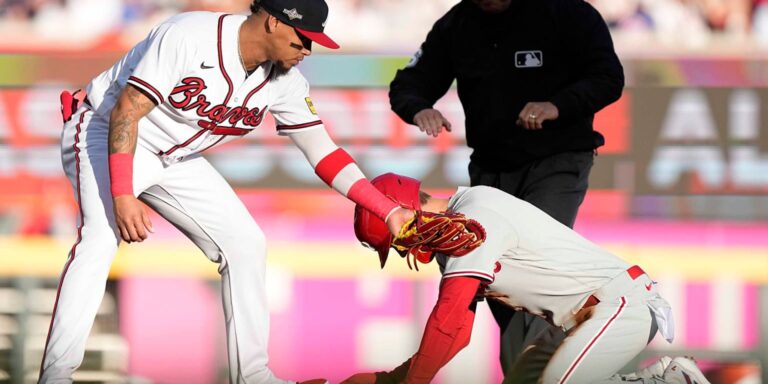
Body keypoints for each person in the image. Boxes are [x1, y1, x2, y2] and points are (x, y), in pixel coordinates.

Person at [41, 1, 414, 383]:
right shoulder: (189, 36)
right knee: (100, 239)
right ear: (273, 21)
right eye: (303, 39)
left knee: (246, 243)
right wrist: (122, 193)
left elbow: (324, 153)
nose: (308, 50)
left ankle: (252, 376)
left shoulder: (285, 81)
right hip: (103, 130)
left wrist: (387, 211)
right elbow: (127, 110)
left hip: (175, 156)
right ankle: (56, 375)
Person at [388, 0, 626, 375]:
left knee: (532, 265)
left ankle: (526, 373)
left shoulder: (568, 14)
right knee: (499, 284)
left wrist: (558, 106)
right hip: (491, 170)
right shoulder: (457, 24)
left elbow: (608, 77)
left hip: (557, 161)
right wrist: (418, 107)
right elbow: (409, 82)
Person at [345, 173, 712, 384]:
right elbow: (456, 336)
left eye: (398, 238)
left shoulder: (472, 218)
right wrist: (395, 379)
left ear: (409, 210)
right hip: (581, 319)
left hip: (619, 305)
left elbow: (448, 317)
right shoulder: (453, 235)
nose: (404, 250)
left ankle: (671, 380)